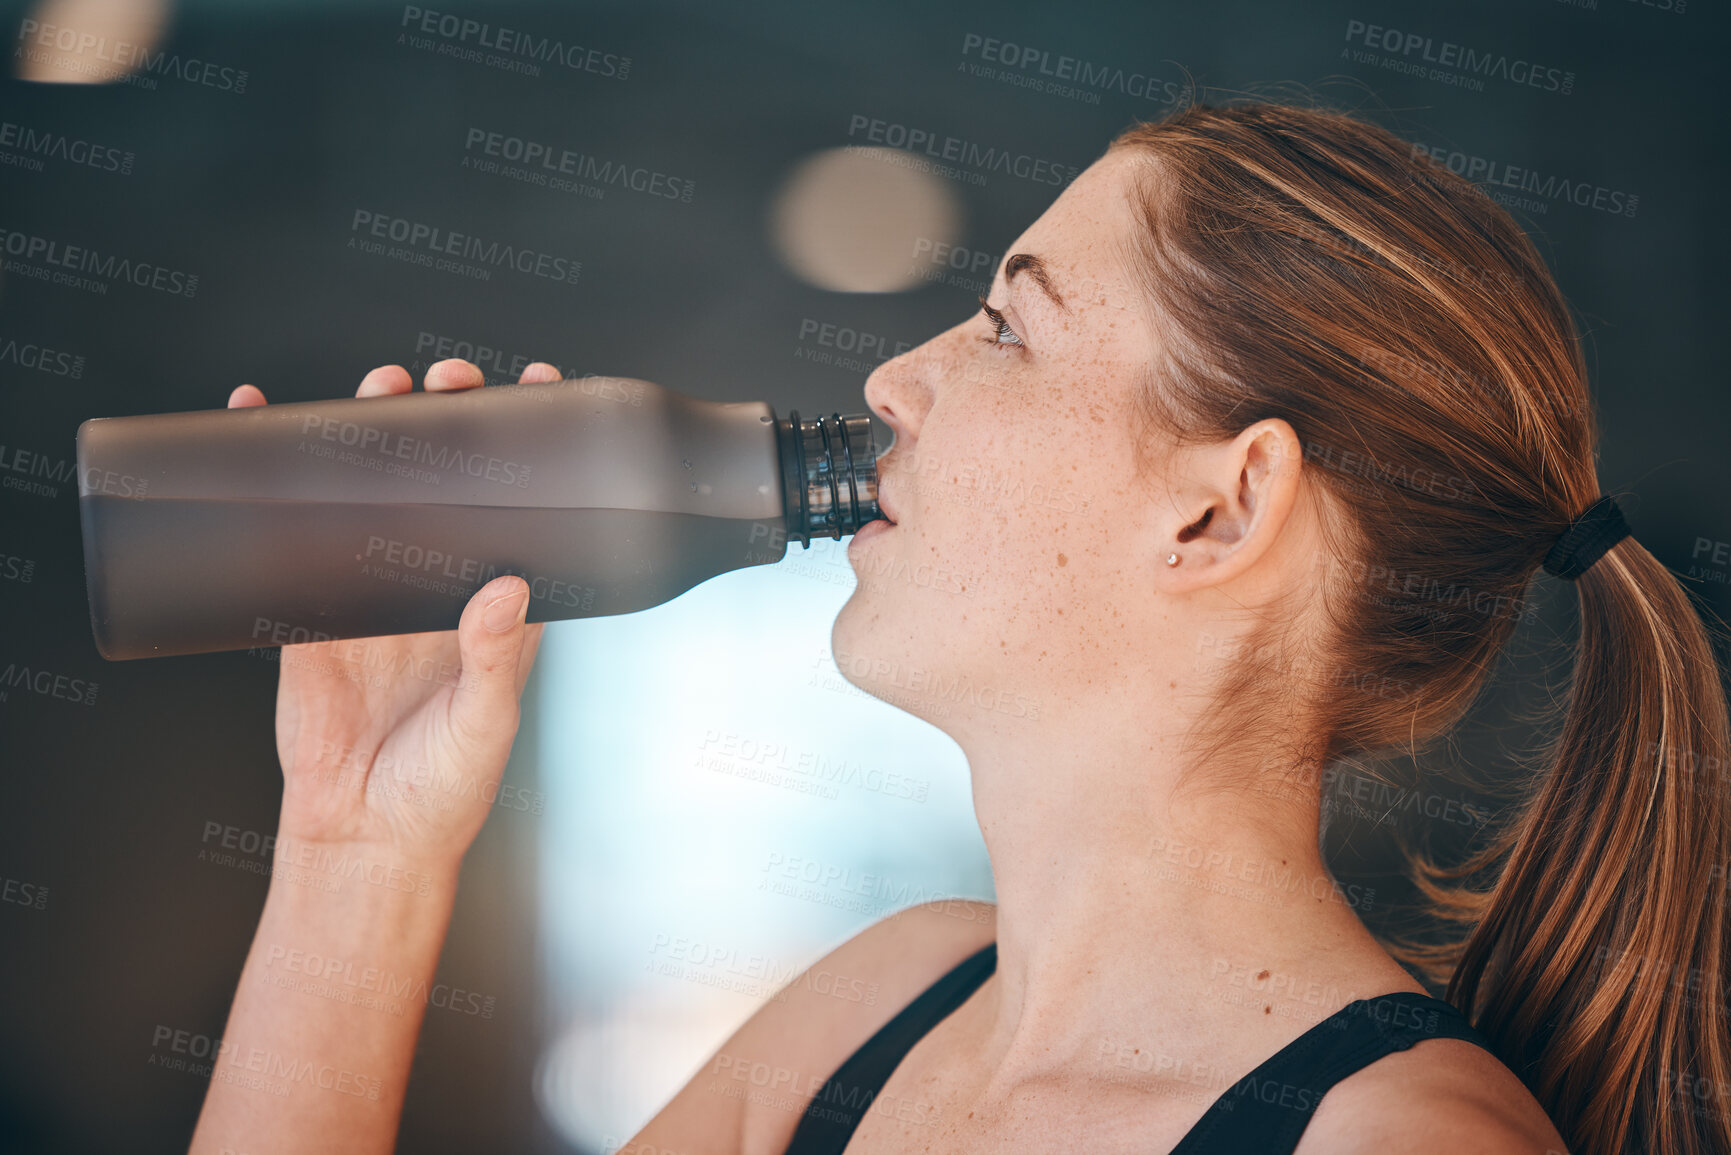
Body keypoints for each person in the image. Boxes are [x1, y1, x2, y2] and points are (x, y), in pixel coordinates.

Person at [190, 100, 1731, 1155]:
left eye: (1007, 324)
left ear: (1220, 513)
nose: (894, 384)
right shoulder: (874, 1015)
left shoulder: (1399, 1143)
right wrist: (354, 854)